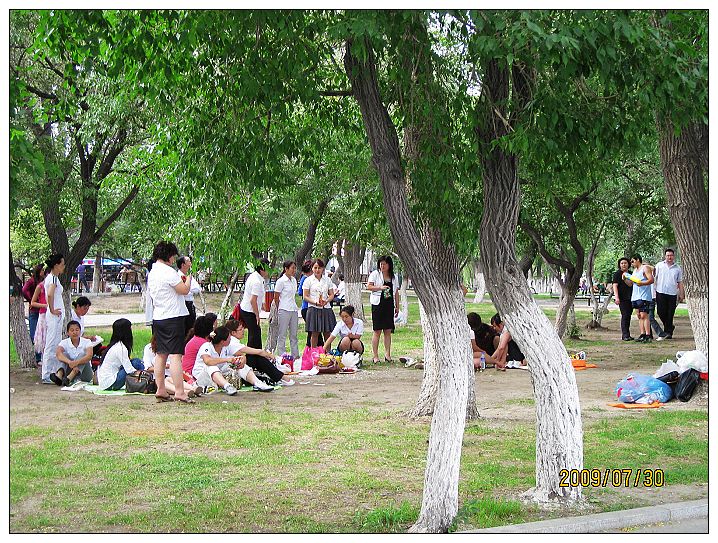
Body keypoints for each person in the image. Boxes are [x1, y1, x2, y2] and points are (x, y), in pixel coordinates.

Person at [147, 240, 193, 403]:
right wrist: (188, 278)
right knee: (175, 356)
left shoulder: (153, 272)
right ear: (168, 256)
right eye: (173, 256)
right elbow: (184, 290)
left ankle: (160, 389)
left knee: (161, 354)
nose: (174, 259)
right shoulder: (169, 272)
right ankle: (180, 392)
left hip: (159, 317)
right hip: (173, 317)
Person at [225, 319, 294, 387]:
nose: (243, 330)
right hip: (233, 370)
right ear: (233, 333)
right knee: (256, 357)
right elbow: (257, 351)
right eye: (240, 329)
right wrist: (269, 355)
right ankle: (281, 377)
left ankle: (278, 377)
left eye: (243, 328)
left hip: (236, 367)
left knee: (255, 357)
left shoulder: (233, 341)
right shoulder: (232, 342)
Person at [366, 255, 400, 364]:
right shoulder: (375, 274)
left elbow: (396, 292)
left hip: (389, 304)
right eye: (381, 264)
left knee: (388, 330)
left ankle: (387, 354)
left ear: (389, 265)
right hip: (378, 304)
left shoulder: (393, 277)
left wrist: (397, 306)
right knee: (377, 331)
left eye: (384, 264)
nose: (382, 266)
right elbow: (369, 286)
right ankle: (375, 356)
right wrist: (380, 288)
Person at [96, 318, 144, 391]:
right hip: (111, 383)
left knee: (135, 361)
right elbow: (129, 370)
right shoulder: (121, 348)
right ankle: (145, 381)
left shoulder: (114, 345)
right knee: (136, 362)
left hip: (105, 383)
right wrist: (140, 373)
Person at [40, 254, 67, 384]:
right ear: (56, 265)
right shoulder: (53, 279)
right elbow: (50, 294)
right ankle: (46, 374)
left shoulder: (52, 278)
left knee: (56, 343)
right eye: (62, 264)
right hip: (54, 316)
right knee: (51, 344)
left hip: (56, 316)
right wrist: (52, 309)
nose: (64, 266)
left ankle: (54, 372)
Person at [302, 258, 337, 348]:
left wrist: (327, 301)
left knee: (327, 332)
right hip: (314, 308)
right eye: (315, 267)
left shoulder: (327, 280)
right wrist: (315, 303)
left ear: (323, 268)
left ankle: (328, 352)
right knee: (315, 333)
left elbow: (331, 294)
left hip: (326, 308)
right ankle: (314, 352)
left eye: (319, 268)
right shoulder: (308, 280)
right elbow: (305, 296)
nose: (317, 270)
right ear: (312, 268)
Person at [51, 320, 94, 386]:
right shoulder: (64, 342)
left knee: (83, 354)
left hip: (84, 374)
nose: (75, 332)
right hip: (69, 370)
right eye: (72, 330)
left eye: (77, 330)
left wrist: (77, 362)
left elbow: (89, 356)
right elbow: (58, 354)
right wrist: (70, 362)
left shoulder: (87, 342)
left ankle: (70, 377)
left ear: (80, 331)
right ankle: (59, 376)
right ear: (68, 333)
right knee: (63, 355)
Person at [654, 248, 684, 340]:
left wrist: (681, 294)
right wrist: (653, 291)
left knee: (670, 313)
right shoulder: (659, 265)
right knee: (660, 312)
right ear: (665, 256)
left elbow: (680, 282)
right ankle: (670, 326)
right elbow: (654, 278)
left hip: (672, 293)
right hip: (660, 292)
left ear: (674, 256)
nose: (669, 257)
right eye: (668, 255)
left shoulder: (677, 268)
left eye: (671, 255)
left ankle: (668, 332)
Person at [239, 258, 270, 351]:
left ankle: (255, 355)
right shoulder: (256, 281)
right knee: (255, 334)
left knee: (255, 334)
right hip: (249, 311)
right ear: (262, 270)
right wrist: (257, 315)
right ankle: (253, 355)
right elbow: (253, 300)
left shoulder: (257, 277)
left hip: (249, 309)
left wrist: (263, 305)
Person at [624, 254, 654, 343]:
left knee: (644, 315)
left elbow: (651, 280)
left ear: (637, 260)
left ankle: (648, 335)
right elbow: (630, 284)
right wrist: (625, 279)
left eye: (633, 261)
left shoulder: (645, 268)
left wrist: (642, 283)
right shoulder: (634, 271)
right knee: (639, 316)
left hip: (644, 296)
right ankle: (642, 334)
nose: (632, 263)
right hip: (635, 296)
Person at [273, 261, 299, 360]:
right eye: (292, 268)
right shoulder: (281, 281)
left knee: (293, 334)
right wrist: (279, 307)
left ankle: (295, 355)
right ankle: (281, 355)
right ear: (286, 269)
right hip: (284, 309)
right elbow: (276, 296)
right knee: (282, 334)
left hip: (293, 309)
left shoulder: (294, 280)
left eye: (295, 268)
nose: (294, 270)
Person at [22, 264, 45, 364]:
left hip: (43, 311)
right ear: (38, 271)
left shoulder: (43, 281)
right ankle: (37, 357)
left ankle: (40, 356)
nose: (43, 272)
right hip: (34, 311)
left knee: (42, 334)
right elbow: (24, 290)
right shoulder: (32, 281)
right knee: (34, 334)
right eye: (42, 270)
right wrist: (31, 300)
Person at [177, 255, 201, 338]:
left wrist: (188, 288)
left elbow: (197, 288)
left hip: (190, 303)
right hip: (183, 303)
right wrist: (187, 288)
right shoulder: (178, 276)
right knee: (185, 326)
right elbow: (184, 291)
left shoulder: (189, 277)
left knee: (191, 325)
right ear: (183, 264)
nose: (190, 263)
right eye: (188, 261)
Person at [612, 257, 634, 341]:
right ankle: (625, 335)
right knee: (625, 315)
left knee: (628, 315)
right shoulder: (617, 274)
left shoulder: (631, 273)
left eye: (625, 263)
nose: (623, 265)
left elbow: (632, 284)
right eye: (622, 263)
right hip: (622, 298)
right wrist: (616, 297)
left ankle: (627, 334)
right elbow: (615, 286)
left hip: (631, 297)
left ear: (628, 264)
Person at [30, 268, 49, 364]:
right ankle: (41, 359)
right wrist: (45, 305)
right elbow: (33, 302)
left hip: (52, 316)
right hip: (43, 314)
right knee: (43, 339)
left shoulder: (55, 285)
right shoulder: (40, 286)